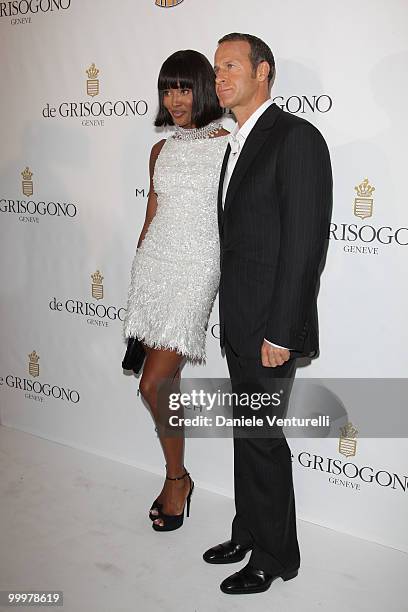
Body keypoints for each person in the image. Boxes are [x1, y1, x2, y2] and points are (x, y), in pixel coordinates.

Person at [203, 33, 333, 594]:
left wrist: (282, 330)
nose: (220, 77)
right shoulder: (234, 144)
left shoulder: (297, 139)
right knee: (248, 433)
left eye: (230, 65)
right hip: (241, 320)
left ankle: (276, 557)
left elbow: (304, 247)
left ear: (264, 71)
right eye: (216, 69)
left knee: (262, 437)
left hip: (270, 328)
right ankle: (249, 530)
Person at [122, 50, 228, 532]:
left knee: (153, 383)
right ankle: (177, 476)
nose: (175, 99)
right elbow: (152, 216)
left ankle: (177, 479)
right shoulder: (160, 149)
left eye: (184, 88)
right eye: (168, 89)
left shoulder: (229, 145)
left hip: (197, 268)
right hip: (155, 267)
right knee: (166, 386)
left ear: (203, 90)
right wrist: (138, 271)